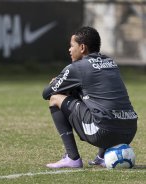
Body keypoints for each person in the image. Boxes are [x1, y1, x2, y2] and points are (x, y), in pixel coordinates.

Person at [42, 26, 138, 168]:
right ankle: (101, 157)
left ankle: (72, 158)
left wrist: (57, 82)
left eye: (71, 45)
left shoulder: (77, 68)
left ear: (82, 48)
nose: (69, 49)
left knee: (55, 98)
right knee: (93, 98)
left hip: (103, 132)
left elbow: (46, 93)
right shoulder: (111, 63)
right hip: (129, 130)